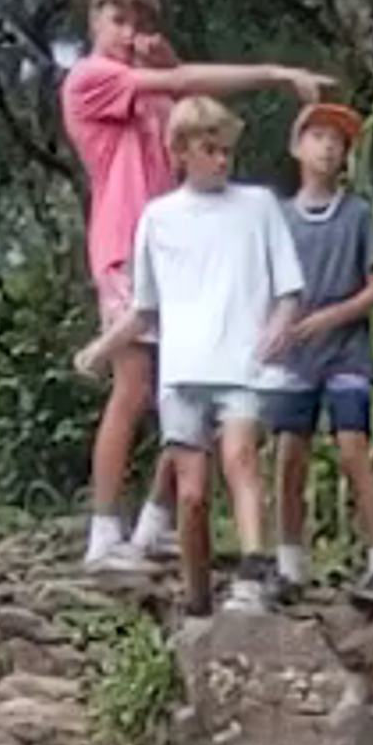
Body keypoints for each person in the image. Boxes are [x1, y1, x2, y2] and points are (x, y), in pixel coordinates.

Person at [60, 0, 324, 580]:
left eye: (138, 23)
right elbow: (179, 86)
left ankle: (153, 523)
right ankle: (103, 532)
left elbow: (198, 122)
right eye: (118, 21)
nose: (129, 36)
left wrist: (171, 57)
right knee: (133, 386)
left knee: (190, 382)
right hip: (127, 244)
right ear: (95, 21)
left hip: (182, 246)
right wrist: (275, 75)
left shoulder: (146, 91)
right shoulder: (93, 79)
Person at [117, 91, 303, 617]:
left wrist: (279, 324)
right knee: (192, 491)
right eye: (209, 149)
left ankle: (252, 570)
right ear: (180, 152)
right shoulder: (157, 217)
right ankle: (197, 594)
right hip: (182, 370)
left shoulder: (258, 206)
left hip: (243, 363)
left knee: (241, 458)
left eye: (225, 150)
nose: (221, 160)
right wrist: (101, 349)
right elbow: (144, 308)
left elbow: (290, 287)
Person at [257, 101, 373, 600]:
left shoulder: (358, 215)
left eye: (337, 142)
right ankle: (290, 565)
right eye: (317, 137)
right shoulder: (277, 219)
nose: (327, 147)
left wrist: (330, 317)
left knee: (353, 451)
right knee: (288, 456)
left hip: (346, 353)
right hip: (294, 358)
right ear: (297, 147)